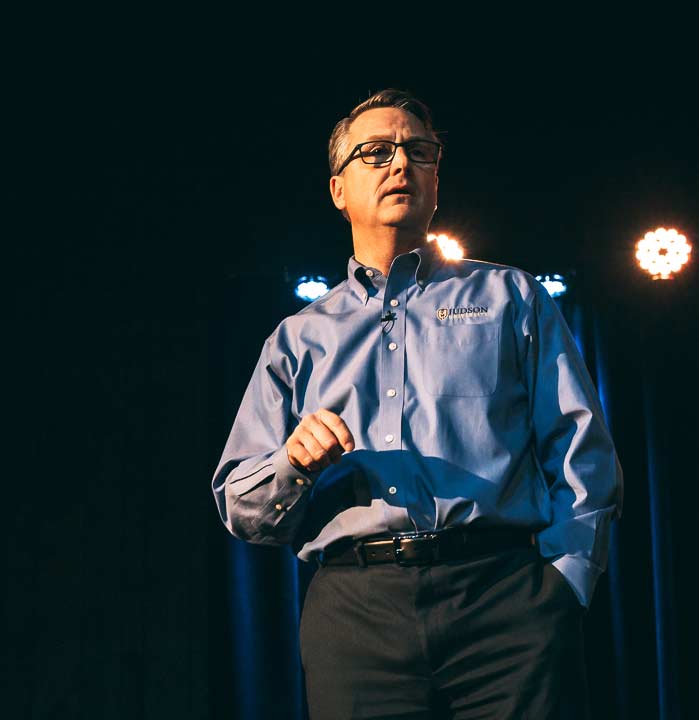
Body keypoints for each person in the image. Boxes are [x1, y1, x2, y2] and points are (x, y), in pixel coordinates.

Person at [212, 88, 623, 719]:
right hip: (356, 615)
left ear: (436, 180)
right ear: (338, 190)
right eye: (375, 152)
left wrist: (565, 584)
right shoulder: (297, 339)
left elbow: (580, 449)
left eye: (418, 151)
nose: (400, 163)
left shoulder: (510, 297)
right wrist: (291, 462)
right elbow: (240, 503)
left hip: (505, 603)